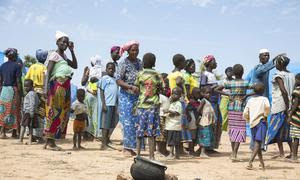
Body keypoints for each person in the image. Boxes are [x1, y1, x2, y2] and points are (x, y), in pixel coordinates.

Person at [43, 31, 78, 150]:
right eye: (63, 41)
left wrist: (72, 50)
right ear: (57, 42)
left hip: (65, 86)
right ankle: (50, 142)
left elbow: (75, 65)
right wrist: (44, 88)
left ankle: (49, 141)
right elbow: (48, 72)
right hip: (58, 85)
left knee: (61, 113)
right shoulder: (54, 55)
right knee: (55, 112)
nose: (65, 44)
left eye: (67, 42)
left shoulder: (64, 56)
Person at [216, 64, 252, 161]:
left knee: (232, 130)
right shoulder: (245, 83)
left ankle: (233, 153)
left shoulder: (230, 83)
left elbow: (216, 89)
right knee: (239, 130)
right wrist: (247, 96)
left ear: (234, 73)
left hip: (231, 108)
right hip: (241, 108)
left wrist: (228, 94)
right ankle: (235, 154)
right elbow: (258, 88)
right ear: (243, 72)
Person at [134, 52, 163, 160]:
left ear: (143, 63)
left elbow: (136, 88)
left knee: (139, 131)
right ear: (154, 63)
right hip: (153, 107)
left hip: (141, 106)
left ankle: (138, 154)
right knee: (151, 132)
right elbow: (162, 89)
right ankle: (151, 156)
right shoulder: (158, 75)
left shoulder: (140, 74)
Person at [116, 40, 142, 156]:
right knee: (127, 122)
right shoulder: (123, 63)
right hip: (126, 96)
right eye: (133, 50)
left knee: (136, 122)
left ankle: (134, 147)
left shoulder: (140, 63)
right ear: (128, 51)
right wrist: (130, 87)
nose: (135, 52)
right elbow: (118, 80)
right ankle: (127, 148)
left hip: (138, 97)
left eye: (136, 50)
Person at [265, 55, 295, 159]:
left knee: (276, 129)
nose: (275, 65)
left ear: (280, 64)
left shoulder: (278, 76)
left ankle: (282, 153)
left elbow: (283, 91)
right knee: (287, 130)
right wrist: (290, 106)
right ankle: (292, 152)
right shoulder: (291, 75)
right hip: (290, 104)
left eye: (276, 63)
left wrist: (286, 106)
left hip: (280, 105)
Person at [243, 83, 270, 170]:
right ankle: (250, 162)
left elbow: (245, 113)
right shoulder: (264, 99)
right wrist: (265, 116)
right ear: (263, 91)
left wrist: (248, 119)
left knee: (256, 143)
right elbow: (268, 107)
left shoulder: (250, 100)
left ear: (253, 91)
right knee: (258, 143)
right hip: (261, 122)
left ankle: (262, 164)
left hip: (252, 124)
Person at [24, 49, 48, 143]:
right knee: (41, 114)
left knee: (31, 113)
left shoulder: (32, 67)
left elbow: (27, 79)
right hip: (41, 93)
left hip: (32, 92)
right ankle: (39, 136)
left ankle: (31, 134)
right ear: (44, 58)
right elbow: (46, 82)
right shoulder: (45, 68)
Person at [200, 55, 222, 150]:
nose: (216, 63)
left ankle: (212, 147)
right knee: (210, 124)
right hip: (209, 102)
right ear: (208, 62)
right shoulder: (204, 74)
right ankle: (207, 147)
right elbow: (203, 88)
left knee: (217, 123)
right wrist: (215, 87)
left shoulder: (212, 75)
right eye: (214, 61)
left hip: (215, 101)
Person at [0, 48, 22, 139]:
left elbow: (0, 81)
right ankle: (14, 133)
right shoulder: (17, 66)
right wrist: (20, 92)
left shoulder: (2, 66)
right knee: (15, 111)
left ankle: (2, 132)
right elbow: (18, 81)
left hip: (4, 90)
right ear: (14, 55)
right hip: (13, 90)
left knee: (3, 111)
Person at [81, 55, 102, 140]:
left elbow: (83, 82)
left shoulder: (89, 70)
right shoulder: (103, 71)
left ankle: (90, 134)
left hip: (89, 95)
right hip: (98, 96)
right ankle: (96, 134)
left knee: (89, 115)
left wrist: (86, 74)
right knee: (96, 115)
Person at [99, 62, 118, 150]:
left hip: (114, 104)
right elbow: (101, 91)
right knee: (105, 125)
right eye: (109, 68)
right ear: (106, 69)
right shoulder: (104, 78)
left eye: (113, 68)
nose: (111, 70)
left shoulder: (115, 79)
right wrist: (103, 104)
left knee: (110, 124)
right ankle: (103, 145)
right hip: (107, 104)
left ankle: (106, 142)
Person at [196, 87, 215, 157]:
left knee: (206, 136)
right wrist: (202, 115)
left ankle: (199, 151)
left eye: (210, 93)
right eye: (207, 93)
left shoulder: (208, 101)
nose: (209, 94)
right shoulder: (203, 101)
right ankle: (202, 153)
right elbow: (198, 110)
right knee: (204, 136)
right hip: (204, 122)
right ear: (202, 93)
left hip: (207, 122)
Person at [18, 79, 39, 144]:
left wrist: (31, 112)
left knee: (23, 125)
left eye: (27, 86)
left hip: (28, 112)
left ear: (32, 86)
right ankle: (29, 140)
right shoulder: (33, 93)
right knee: (30, 126)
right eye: (24, 86)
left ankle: (20, 140)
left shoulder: (31, 94)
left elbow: (32, 103)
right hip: (31, 112)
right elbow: (38, 102)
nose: (25, 88)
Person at [166, 87, 183, 159]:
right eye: (172, 94)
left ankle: (175, 154)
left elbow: (177, 113)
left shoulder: (178, 103)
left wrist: (169, 112)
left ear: (180, 96)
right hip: (170, 125)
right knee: (171, 141)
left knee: (175, 141)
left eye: (176, 94)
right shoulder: (171, 103)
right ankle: (172, 153)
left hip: (175, 126)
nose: (173, 95)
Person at [288, 73, 300, 162]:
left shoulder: (297, 91)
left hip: (296, 118)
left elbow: (295, 105)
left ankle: (294, 156)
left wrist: (290, 115)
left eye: (296, 80)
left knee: (295, 137)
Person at [156, 81, 170, 156]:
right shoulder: (159, 96)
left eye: (166, 88)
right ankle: (159, 150)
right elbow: (157, 106)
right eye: (164, 88)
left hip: (166, 117)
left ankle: (163, 149)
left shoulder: (166, 97)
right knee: (160, 134)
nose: (165, 89)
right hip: (161, 116)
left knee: (164, 134)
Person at [220, 67, 233, 131]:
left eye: (231, 71)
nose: (230, 73)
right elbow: (218, 90)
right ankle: (222, 129)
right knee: (223, 115)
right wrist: (226, 94)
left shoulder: (234, 81)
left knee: (231, 116)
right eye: (228, 71)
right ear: (225, 73)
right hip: (224, 99)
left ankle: (226, 130)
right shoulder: (223, 81)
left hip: (232, 100)